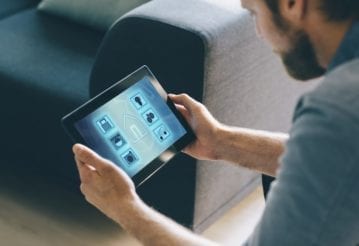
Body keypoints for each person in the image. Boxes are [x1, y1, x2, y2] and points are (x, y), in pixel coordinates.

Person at [72, 0, 359, 245]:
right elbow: (335, 160)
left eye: (253, 12)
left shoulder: (338, 109)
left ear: (293, 4)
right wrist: (221, 141)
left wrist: (126, 209)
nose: (259, 32)